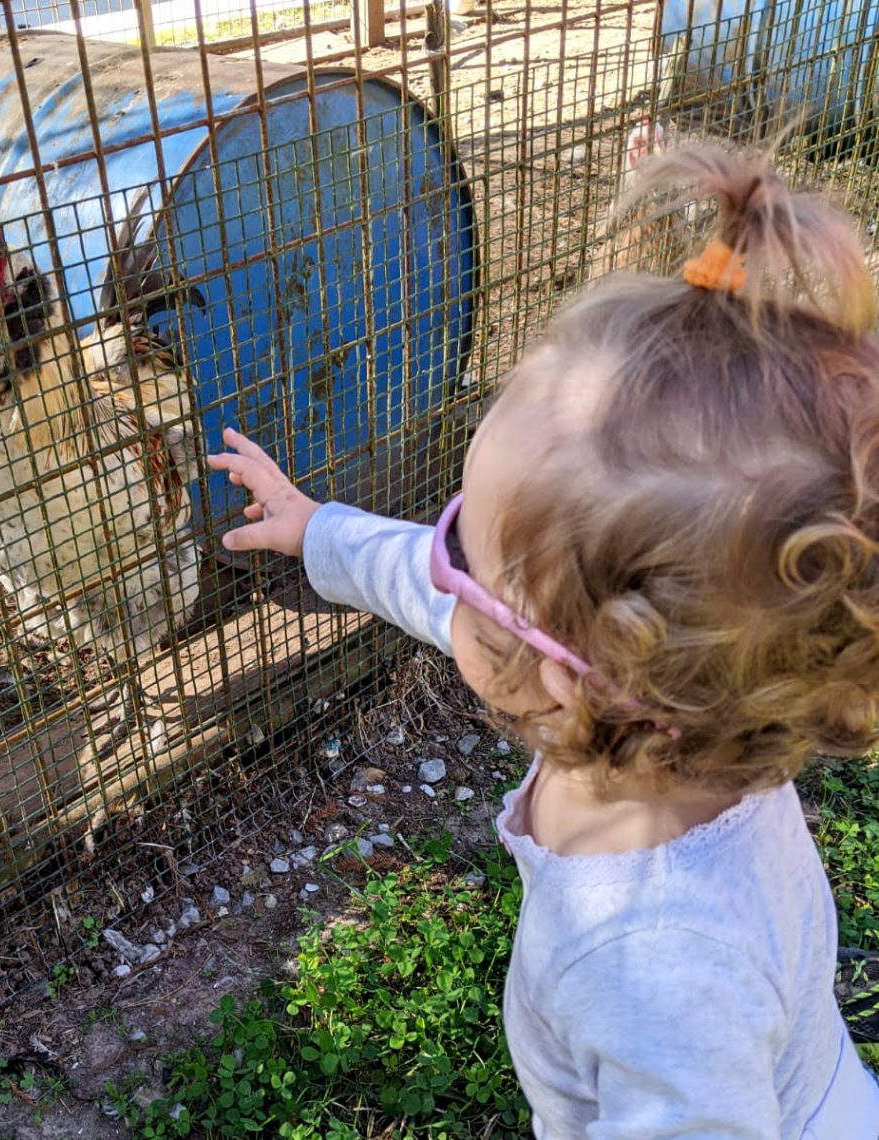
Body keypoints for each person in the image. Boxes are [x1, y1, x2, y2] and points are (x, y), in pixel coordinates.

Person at [207, 144, 879, 1137]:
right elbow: (452, 604)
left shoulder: (654, 966)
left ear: (567, 684)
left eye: (460, 554)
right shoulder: (712, 704)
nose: (442, 572)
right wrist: (320, 533)